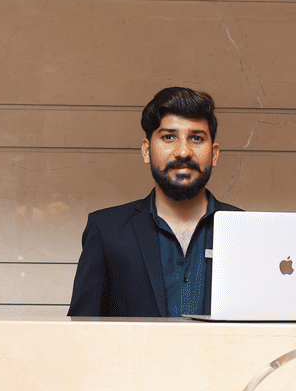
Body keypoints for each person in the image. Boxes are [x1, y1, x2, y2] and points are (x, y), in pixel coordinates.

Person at [67, 86, 241, 317]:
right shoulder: (106, 230)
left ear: (214, 154)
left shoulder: (246, 230)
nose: (183, 152)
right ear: (147, 151)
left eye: (196, 138)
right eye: (169, 137)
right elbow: (82, 332)